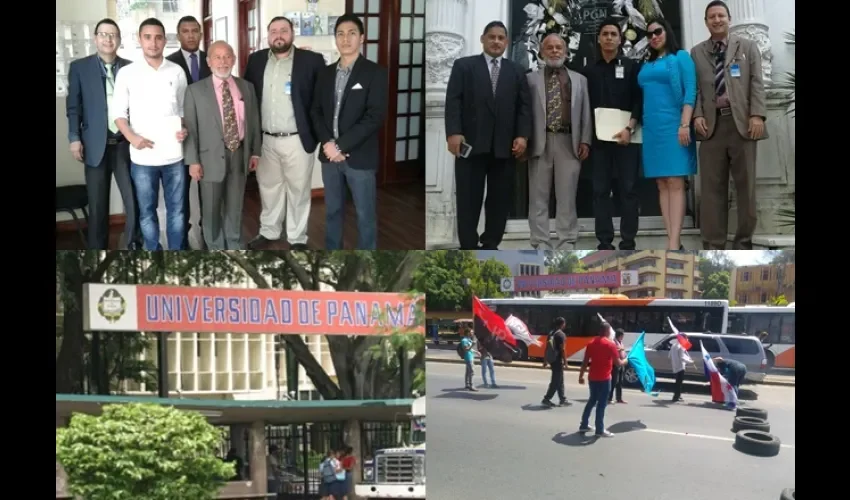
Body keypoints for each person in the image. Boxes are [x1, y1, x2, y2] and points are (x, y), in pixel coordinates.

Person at [444, 20, 531, 250]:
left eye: (501, 38)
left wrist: (522, 136)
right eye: (491, 37)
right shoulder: (464, 66)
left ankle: (491, 243)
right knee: (468, 200)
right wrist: (453, 132)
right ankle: (469, 246)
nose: (496, 41)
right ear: (482, 39)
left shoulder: (516, 71)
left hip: (504, 148)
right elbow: (453, 101)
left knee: (499, 201)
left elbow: (524, 107)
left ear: (507, 42)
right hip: (470, 145)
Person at [243, 16, 326, 250]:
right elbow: (248, 100)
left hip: (297, 139)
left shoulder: (311, 60)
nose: (278, 35)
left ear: (292, 34)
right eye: (274, 31)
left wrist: (317, 135)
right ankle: (269, 231)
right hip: (266, 139)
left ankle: (297, 238)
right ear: (267, 35)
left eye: (283, 31)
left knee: (298, 191)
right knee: (268, 188)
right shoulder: (256, 60)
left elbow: (320, 100)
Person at [691, 0, 767, 250]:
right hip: (711, 128)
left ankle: (743, 242)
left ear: (729, 18)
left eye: (721, 15)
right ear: (706, 22)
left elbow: (757, 82)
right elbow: (696, 89)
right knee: (712, 191)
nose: (717, 20)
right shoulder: (697, 52)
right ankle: (713, 245)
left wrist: (757, 115)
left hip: (743, 125)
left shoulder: (748, 46)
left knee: (746, 188)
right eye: (711, 16)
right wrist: (697, 116)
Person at [311, 15, 389, 249]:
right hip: (329, 156)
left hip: (360, 157)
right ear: (335, 38)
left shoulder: (375, 72)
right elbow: (315, 111)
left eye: (352, 33)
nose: (345, 39)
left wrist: (340, 145)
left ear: (361, 38)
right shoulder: (324, 73)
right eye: (340, 34)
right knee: (332, 211)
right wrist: (328, 143)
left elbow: (374, 116)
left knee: (365, 216)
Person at [112, 17, 189, 250]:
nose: (153, 43)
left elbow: (184, 109)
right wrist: (132, 138)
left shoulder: (176, 71)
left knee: (177, 210)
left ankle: (176, 254)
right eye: (148, 37)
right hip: (143, 157)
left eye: (158, 37)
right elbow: (118, 113)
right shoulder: (127, 73)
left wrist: (184, 128)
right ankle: (153, 253)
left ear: (165, 41)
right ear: (139, 39)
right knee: (147, 211)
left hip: (174, 156)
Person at [65, 18, 140, 250]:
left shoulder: (130, 68)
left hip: (124, 144)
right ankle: (98, 253)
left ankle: (133, 246)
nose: (108, 39)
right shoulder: (80, 68)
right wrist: (74, 138)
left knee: (133, 200)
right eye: (103, 34)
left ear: (119, 39)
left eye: (113, 35)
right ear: (96, 38)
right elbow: (74, 107)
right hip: (94, 145)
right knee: (98, 205)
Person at [183, 41, 261, 250]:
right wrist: (193, 161)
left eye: (227, 56)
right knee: (211, 209)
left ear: (234, 60)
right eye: (217, 57)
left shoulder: (247, 87)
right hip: (208, 159)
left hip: (240, 153)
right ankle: (215, 247)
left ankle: (234, 244)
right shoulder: (195, 91)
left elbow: (253, 121)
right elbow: (190, 129)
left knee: (235, 206)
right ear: (208, 62)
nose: (223, 61)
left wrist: (255, 152)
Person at [580, 18, 642, 251]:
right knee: (600, 191)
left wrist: (630, 128)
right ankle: (604, 242)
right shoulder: (588, 71)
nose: (608, 37)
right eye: (605, 33)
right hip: (599, 142)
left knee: (629, 189)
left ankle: (628, 241)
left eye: (613, 34)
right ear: (599, 38)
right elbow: (583, 107)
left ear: (620, 38)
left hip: (627, 138)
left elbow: (638, 100)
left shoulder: (631, 67)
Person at [526, 33, 591, 250]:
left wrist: (585, 140)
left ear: (565, 52)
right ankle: (540, 241)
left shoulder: (580, 80)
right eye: (549, 48)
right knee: (538, 196)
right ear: (542, 52)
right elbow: (523, 113)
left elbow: (585, 114)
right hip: (539, 142)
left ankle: (567, 240)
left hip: (568, 142)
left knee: (567, 196)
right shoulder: (530, 79)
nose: (554, 51)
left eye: (558, 47)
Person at [638, 17, 697, 251]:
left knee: (675, 181)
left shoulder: (680, 56)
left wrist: (684, 124)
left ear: (667, 31)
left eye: (657, 31)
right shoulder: (647, 63)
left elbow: (691, 90)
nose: (654, 36)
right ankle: (673, 238)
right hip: (652, 130)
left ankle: (673, 242)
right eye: (649, 34)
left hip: (675, 125)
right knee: (662, 183)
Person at [166, 15, 211, 248]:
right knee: (180, 192)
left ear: (201, 34)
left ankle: (207, 232)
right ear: (179, 34)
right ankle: (182, 236)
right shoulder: (168, 63)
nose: (191, 35)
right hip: (179, 137)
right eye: (186, 31)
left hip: (208, 137)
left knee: (207, 189)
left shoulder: (211, 60)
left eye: (195, 30)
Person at [578, 320, 628, 437]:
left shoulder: (591, 343)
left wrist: (580, 376)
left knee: (591, 401)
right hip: (604, 378)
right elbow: (618, 363)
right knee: (601, 404)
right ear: (606, 331)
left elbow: (585, 362)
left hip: (592, 377)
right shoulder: (610, 344)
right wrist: (627, 360)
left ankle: (583, 425)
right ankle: (599, 430)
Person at [541, 317, 570, 407]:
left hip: (552, 360)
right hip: (557, 360)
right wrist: (565, 362)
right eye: (564, 323)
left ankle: (562, 399)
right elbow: (563, 350)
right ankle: (546, 399)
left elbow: (547, 348)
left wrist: (545, 360)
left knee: (560, 380)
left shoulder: (551, 333)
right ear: (562, 324)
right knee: (556, 381)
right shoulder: (561, 335)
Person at [669, 333, 694, 402]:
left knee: (677, 382)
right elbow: (682, 357)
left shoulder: (674, 345)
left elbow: (670, 355)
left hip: (675, 366)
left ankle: (678, 395)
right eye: (686, 338)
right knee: (679, 383)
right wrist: (690, 361)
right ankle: (676, 397)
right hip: (680, 367)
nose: (687, 339)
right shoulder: (681, 347)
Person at [609, 328, 627, 404]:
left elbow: (623, 351)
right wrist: (620, 349)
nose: (623, 337)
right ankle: (609, 398)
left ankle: (619, 398)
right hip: (615, 364)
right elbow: (613, 351)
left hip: (621, 363)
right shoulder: (613, 342)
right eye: (622, 335)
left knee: (620, 382)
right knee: (613, 382)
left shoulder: (620, 342)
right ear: (619, 335)